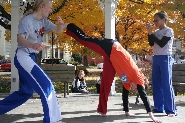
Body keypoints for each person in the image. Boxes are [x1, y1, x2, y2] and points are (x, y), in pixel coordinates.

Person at [64, 23, 161, 123]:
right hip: (111, 47)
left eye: (135, 90)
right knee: (85, 40)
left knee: (106, 83)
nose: (134, 89)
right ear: (141, 83)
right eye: (137, 88)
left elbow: (125, 95)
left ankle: (102, 110)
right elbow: (144, 96)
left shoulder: (128, 82)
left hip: (111, 59)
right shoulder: (138, 76)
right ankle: (69, 26)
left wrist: (127, 112)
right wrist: (152, 116)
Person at [0, 0, 66, 123]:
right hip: (23, 56)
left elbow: (57, 30)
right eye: (49, 8)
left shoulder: (44, 21)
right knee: (46, 85)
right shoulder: (27, 21)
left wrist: (61, 25)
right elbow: (20, 38)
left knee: (26, 92)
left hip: (30, 57)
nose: (51, 10)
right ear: (42, 6)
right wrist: (32, 45)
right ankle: (53, 120)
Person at [146, 11, 177, 117]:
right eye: (154, 20)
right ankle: (159, 107)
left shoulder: (169, 31)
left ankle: (171, 110)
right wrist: (149, 31)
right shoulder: (155, 32)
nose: (155, 22)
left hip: (165, 58)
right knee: (157, 84)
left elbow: (162, 43)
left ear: (164, 19)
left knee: (166, 84)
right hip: (156, 58)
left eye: (157, 20)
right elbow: (151, 42)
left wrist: (151, 34)